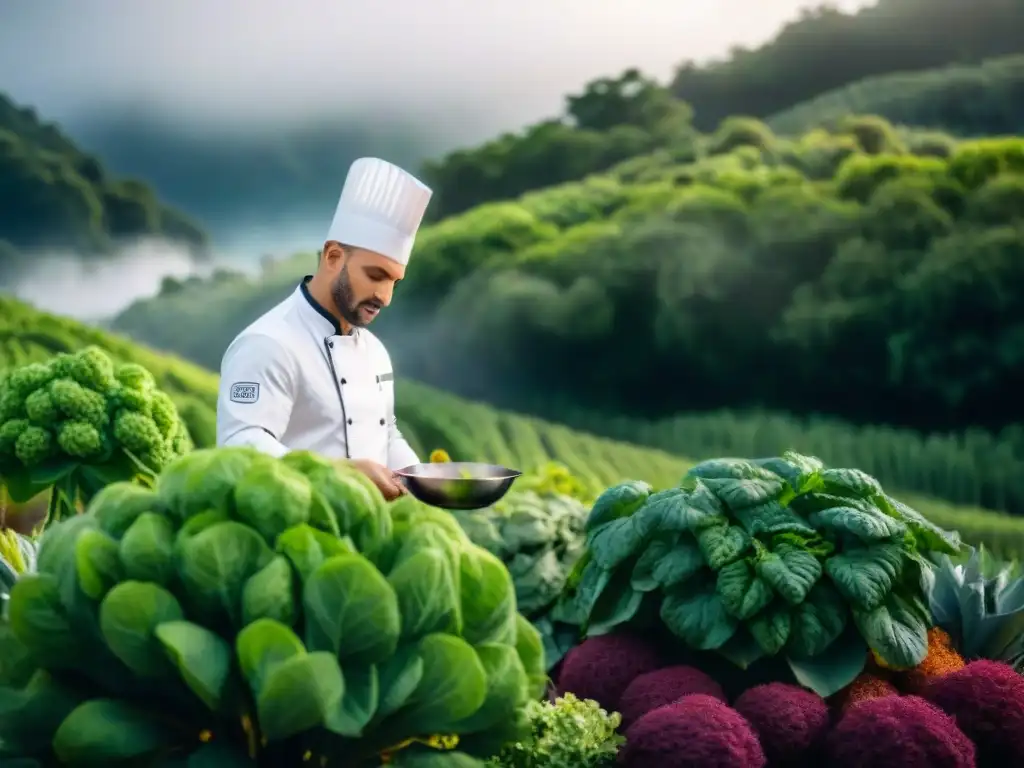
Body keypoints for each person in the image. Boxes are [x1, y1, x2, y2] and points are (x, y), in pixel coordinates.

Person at [215, 157, 432, 500]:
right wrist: (337, 472)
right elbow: (240, 444)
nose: (385, 296)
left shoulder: (375, 351)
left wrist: (425, 481)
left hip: (366, 533)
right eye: (375, 276)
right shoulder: (267, 343)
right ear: (333, 257)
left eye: (394, 281)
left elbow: (386, 434)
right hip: (295, 533)